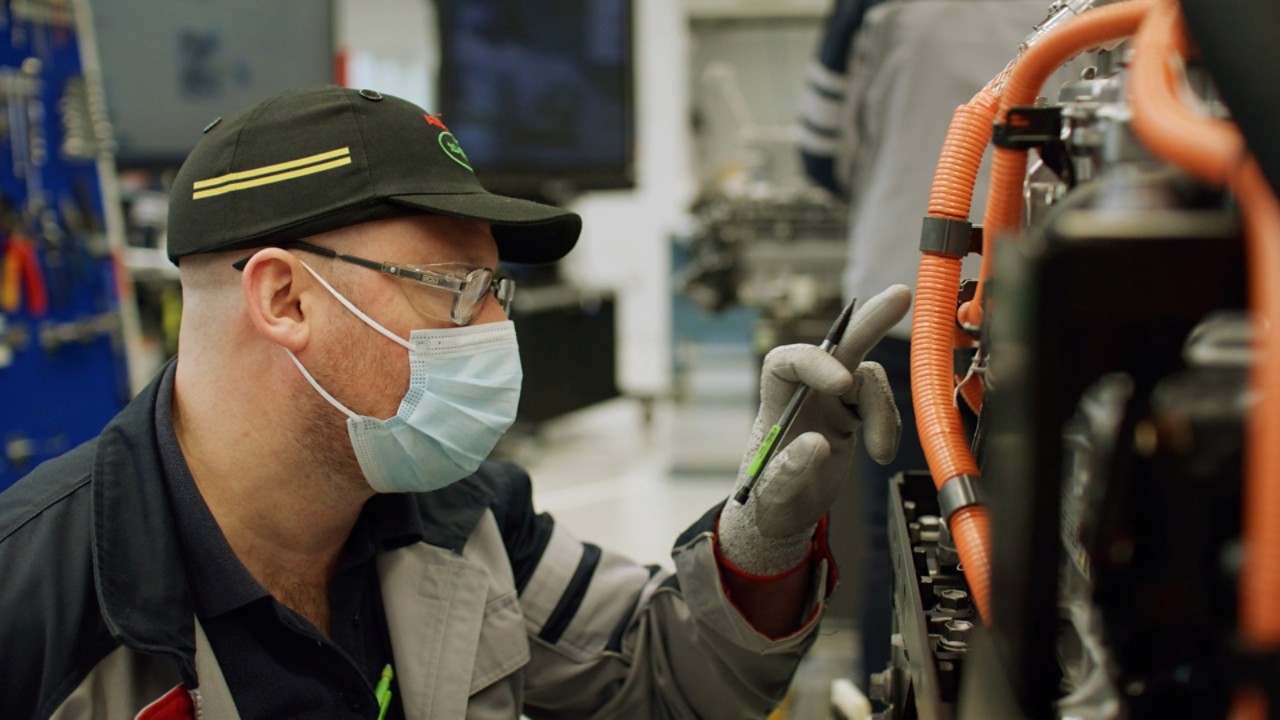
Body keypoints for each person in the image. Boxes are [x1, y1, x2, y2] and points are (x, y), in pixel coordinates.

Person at [0, 85, 910, 719]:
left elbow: (668, 679)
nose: (491, 325)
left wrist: (764, 536)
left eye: (493, 288)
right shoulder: (37, 612)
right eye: (451, 284)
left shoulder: (456, 521)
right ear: (284, 301)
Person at [798, 0, 1071, 686]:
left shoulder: (871, 8)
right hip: (1059, 304)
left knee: (906, 548)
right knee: (1061, 541)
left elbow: (821, 153)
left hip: (907, 300)